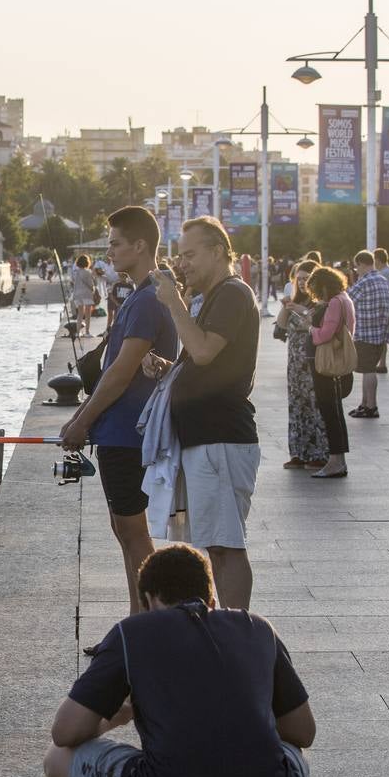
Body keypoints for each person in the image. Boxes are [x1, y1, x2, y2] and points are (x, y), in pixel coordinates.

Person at [44, 545, 314, 777]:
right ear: (211, 597)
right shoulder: (258, 628)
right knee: (292, 753)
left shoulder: (132, 633)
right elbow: (303, 731)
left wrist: (121, 716)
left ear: (149, 599)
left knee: (56, 762)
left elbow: (66, 731)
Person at [60, 207, 178, 617]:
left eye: (114, 243)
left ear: (139, 245)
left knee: (132, 530)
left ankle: (147, 620)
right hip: (120, 430)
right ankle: (137, 617)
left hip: (128, 431)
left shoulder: (147, 299)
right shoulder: (145, 293)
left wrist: (81, 420)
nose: (108, 251)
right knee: (125, 530)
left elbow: (120, 372)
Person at [143, 216, 260, 610]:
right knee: (216, 541)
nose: (183, 263)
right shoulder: (212, 297)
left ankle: (235, 630)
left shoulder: (232, 293)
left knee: (227, 543)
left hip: (221, 437)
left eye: (190, 254)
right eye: (180, 255)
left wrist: (174, 301)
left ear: (217, 251)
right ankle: (226, 627)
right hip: (206, 438)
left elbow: (206, 351)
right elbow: (200, 356)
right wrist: (170, 368)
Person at [297, 267, 355, 479]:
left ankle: (335, 461)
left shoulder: (334, 303)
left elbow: (326, 334)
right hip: (334, 362)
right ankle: (338, 460)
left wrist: (311, 329)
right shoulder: (344, 298)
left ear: (323, 285)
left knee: (330, 412)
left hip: (325, 364)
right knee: (335, 412)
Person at [274, 260, 328, 470]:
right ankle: (298, 452)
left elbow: (318, 324)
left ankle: (319, 452)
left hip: (314, 360)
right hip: (295, 363)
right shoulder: (296, 299)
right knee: (297, 406)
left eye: (307, 278)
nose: (304, 282)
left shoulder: (320, 303)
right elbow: (280, 327)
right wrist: (286, 308)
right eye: (300, 278)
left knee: (315, 406)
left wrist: (300, 309)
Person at [344, 251, 389, 420]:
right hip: (380, 332)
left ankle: (371, 406)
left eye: (356, 266)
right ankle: (365, 404)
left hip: (365, 333)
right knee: (368, 369)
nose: (356, 270)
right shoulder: (383, 280)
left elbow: (347, 301)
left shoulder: (364, 282)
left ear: (362, 263)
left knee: (368, 370)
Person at [71, 254, 100, 336]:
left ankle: (78, 332)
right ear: (87, 262)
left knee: (80, 314)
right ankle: (87, 332)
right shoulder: (88, 272)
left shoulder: (76, 272)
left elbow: (73, 283)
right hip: (86, 294)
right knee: (87, 314)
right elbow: (91, 285)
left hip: (77, 295)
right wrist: (94, 289)